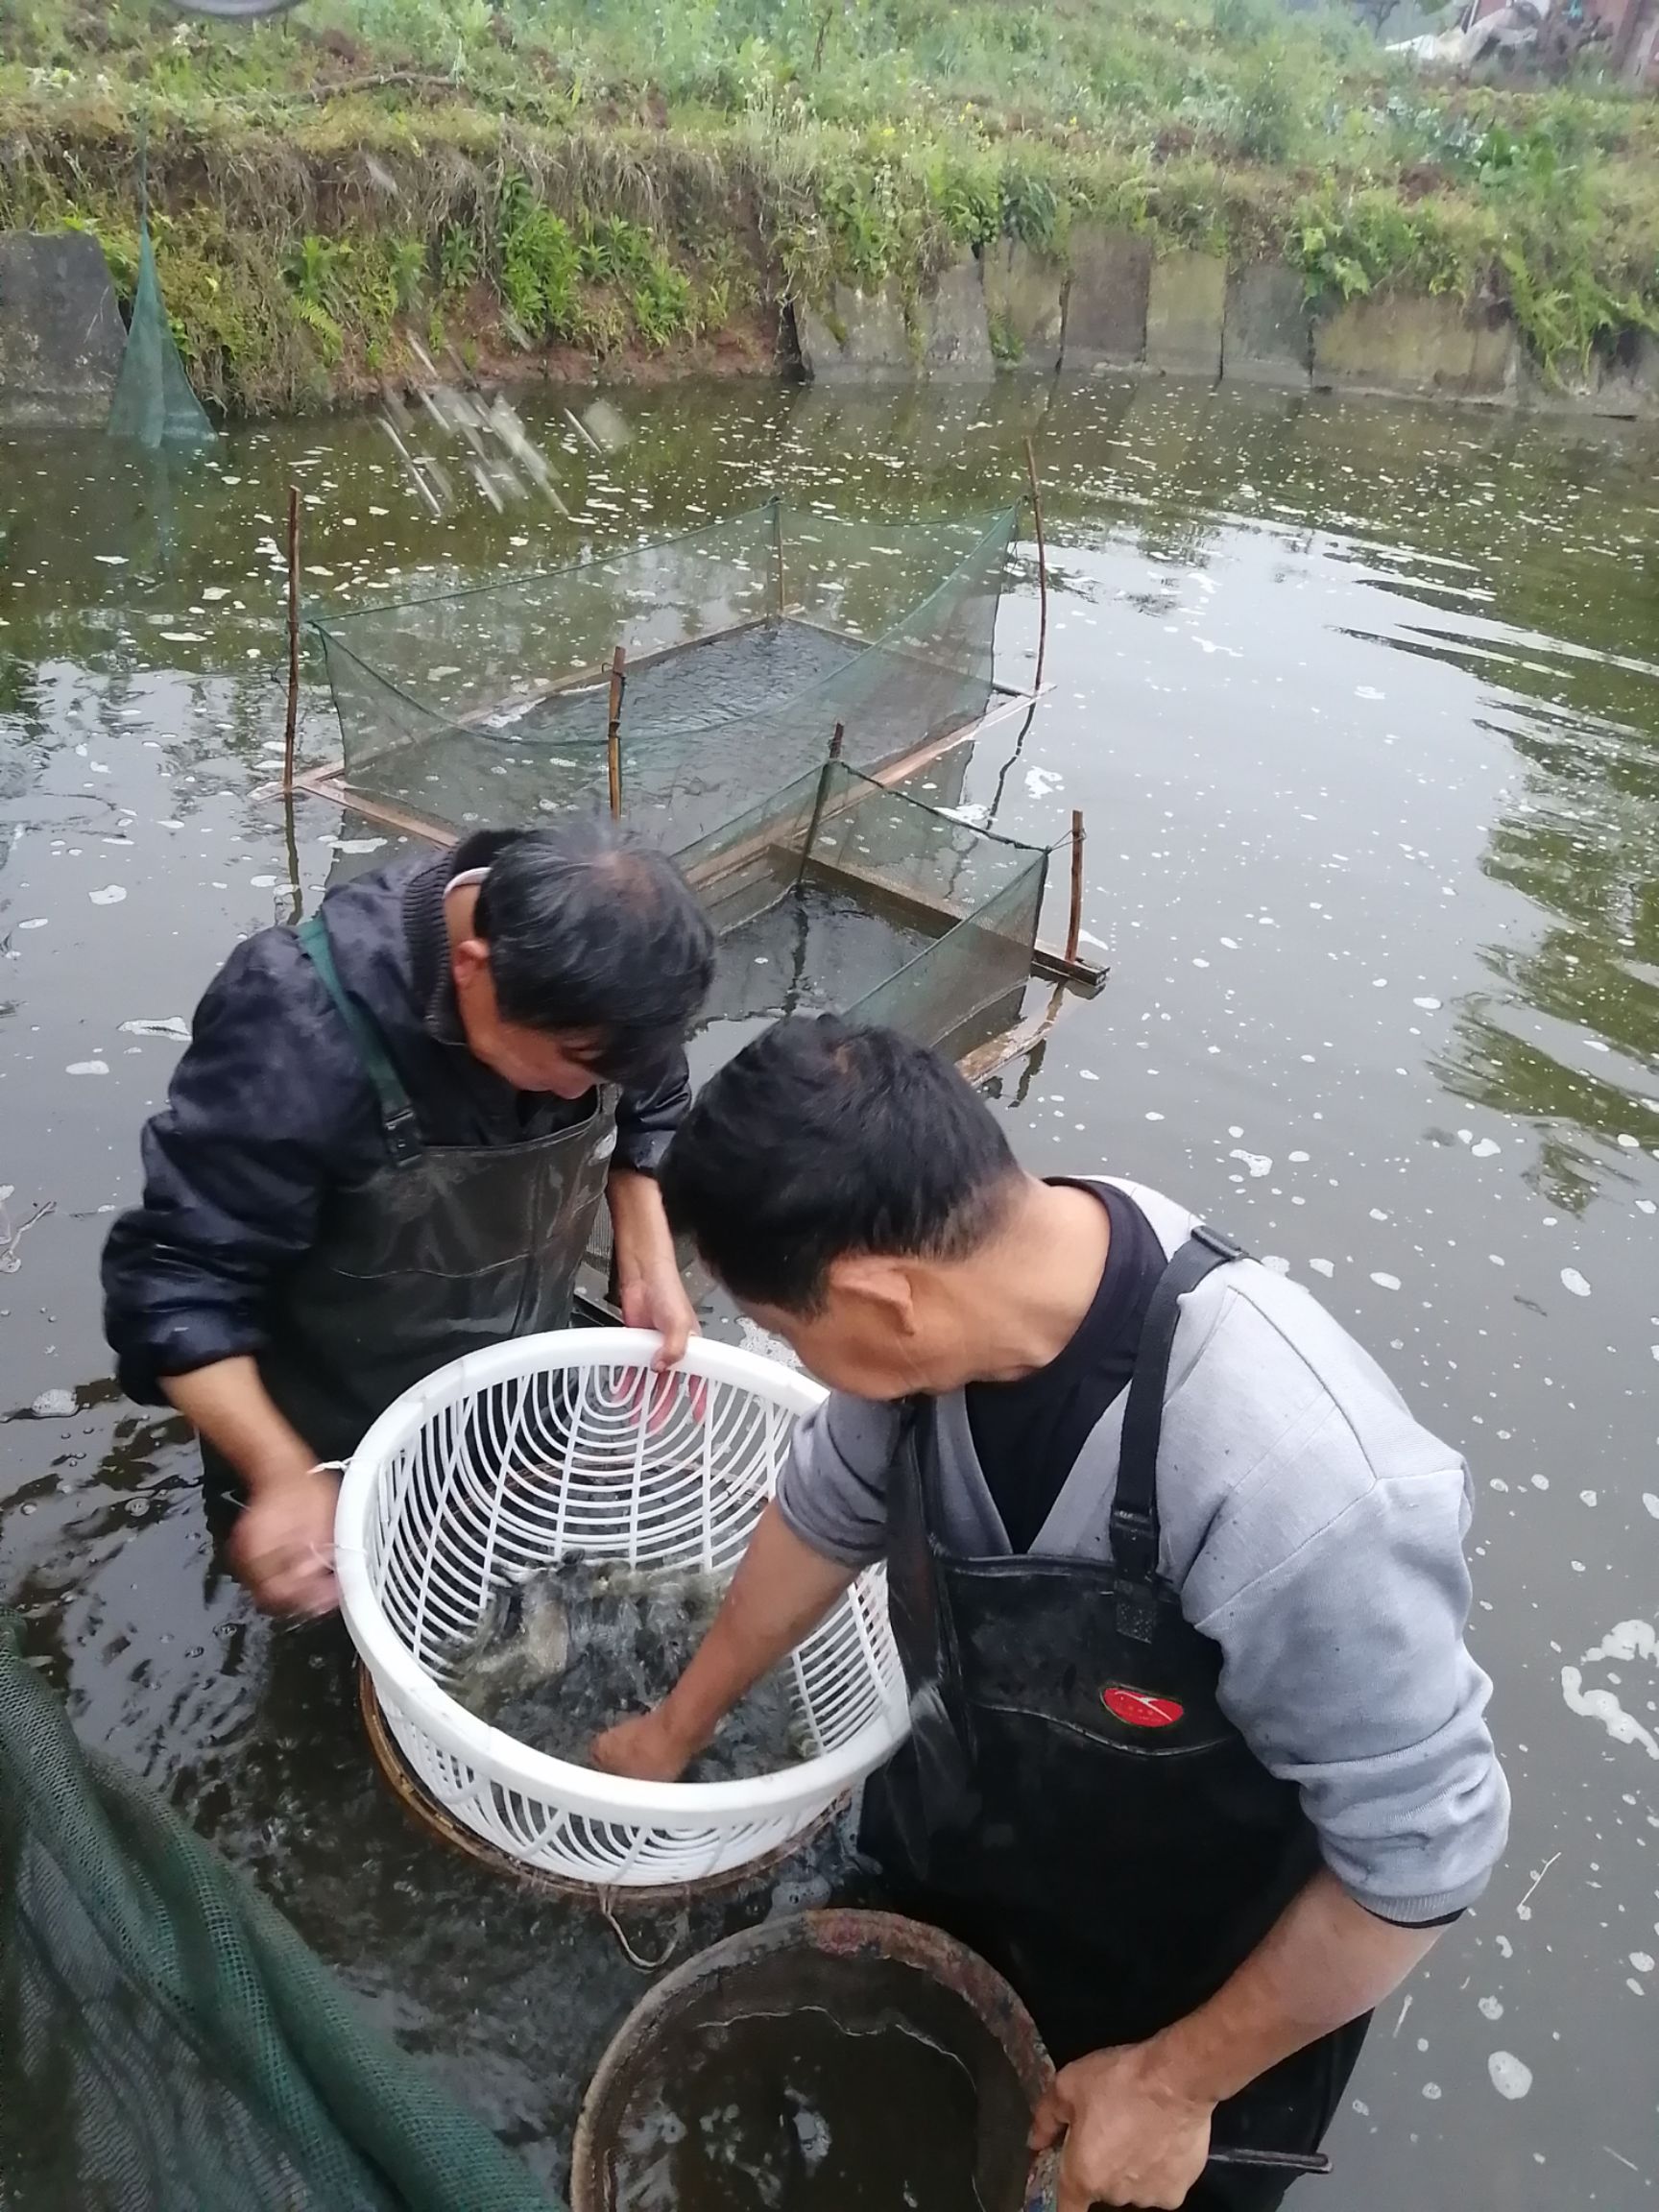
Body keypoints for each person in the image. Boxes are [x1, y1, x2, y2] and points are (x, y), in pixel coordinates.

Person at [592, 1017, 1510, 2212]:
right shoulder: (955, 1299)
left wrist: (1174, 2085)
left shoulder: (1300, 1480)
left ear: (882, 1295)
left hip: (1197, 1978)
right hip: (963, 1846)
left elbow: (1421, 1858)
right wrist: (677, 1728)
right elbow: (825, 1511)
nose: (802, 1366)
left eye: (786, 1332)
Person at [103, 819, 714, 1620]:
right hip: (329, 1427)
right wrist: (280, 1473)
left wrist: (647, 1261)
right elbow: (177, 1285)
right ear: (473, 969)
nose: (584, 1091)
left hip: (514, 1391)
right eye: (573, 1065)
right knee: (324, 1629)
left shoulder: (609, 995)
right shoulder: (295, 1022)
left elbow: (653, 1103)